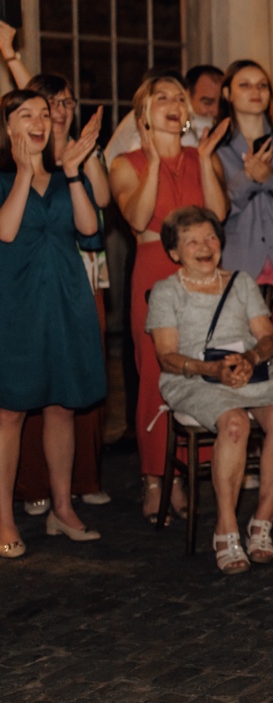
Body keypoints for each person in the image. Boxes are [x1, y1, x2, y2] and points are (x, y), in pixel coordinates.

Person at [146, 205, 273, 573]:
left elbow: (269, 338)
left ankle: (262, 523)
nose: (205, 246)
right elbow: (167, 357)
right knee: (235, 424)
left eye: (211, 237)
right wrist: (211, 368)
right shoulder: (166, 292)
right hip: (193, 378)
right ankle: (226, 527)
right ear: (173, 252)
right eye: (193, 241)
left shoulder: (242, 282)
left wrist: (249, 358)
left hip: (249, 373)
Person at [109, 73, 229, 521]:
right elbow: (137, 217)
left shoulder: (202, 157)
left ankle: (189, 473)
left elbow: (217, 218)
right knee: (156, 379)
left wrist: (206, 160)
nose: (175, 103)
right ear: (144, 113)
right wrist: (156, 162)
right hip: (155, 274)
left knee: (199, 371)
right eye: (162, 98)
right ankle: (156, 478)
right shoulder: (127, 163)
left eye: (180, 97)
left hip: (201, 277)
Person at [0, 90, 106, 558]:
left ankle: (62, 509)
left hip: (65, 298)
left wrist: (72, 172)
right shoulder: (4, 178)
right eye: (27, 115)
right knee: (10, 413)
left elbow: (88, 228)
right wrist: (25, 172)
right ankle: (3, 516)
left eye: (45, 113)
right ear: (8, 128)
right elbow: (5, 230)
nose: (40, 121)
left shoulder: (65, 177)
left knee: (62, 406)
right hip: (15, 301)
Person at [212, 60, 273, 395]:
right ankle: (248, 442)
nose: (255, 91)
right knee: (242, 354)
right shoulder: (217, 148)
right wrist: (247, 178)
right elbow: (217, 210)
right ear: (227, 93)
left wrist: (272, 180)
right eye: (245, 85)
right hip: (239, 262)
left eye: (262, 85)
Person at [103, 64, 223, 165]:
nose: (216, 111)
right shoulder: (145, 122)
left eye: (222, 103)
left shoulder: (185, 124)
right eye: (162, 98)